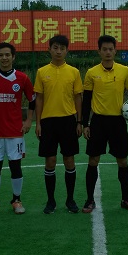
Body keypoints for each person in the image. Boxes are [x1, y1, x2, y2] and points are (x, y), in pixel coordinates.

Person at [81, 35, 128, 213]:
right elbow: (86, 100)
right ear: (99, 51)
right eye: (104, 49)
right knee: (93, 160)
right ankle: (89, 200)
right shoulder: (91, 72)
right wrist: (85, 123)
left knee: (123, 161)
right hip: (98, 121)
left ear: (115, 51)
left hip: (118, 122)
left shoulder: (124, 71)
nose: (108, 52)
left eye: (111, 49)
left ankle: (126, 199)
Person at [0, 42, 35, 215]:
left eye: (7, 55)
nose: (4, 58)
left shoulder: (22, 78)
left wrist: (28, 120)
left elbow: (32, 100)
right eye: (1, 55)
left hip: (15, 131)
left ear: (13, 57)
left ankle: (16, 200)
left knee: (15, 166)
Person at [34, 34, 83, 214]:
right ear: (49, 49)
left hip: (68, 120)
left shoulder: (74, 72)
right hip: (48, 122)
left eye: (62, 48)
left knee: (69, 160)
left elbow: (78, 97)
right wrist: (38, 123)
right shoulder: (41, 72)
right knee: (50, 161)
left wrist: (79, 121)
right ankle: (51, 201)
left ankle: (70, 200)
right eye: (55, 48)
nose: (59, 51)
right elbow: (39, 98)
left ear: (67, 51)